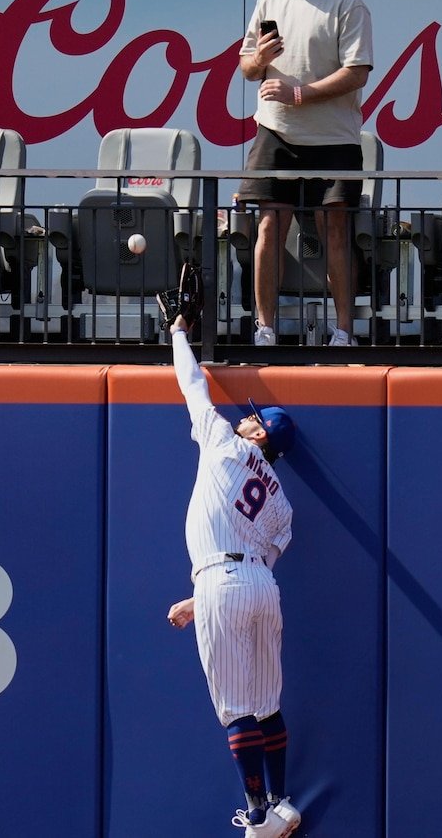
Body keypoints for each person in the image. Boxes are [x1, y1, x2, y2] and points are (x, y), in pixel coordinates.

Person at [164, 316, 301, 838]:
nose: (242, 419)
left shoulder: (223, 443)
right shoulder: (283, 503)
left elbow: (192, 383)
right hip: (263, 588)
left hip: (222, 580)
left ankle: (259, 814)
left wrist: (178, 333)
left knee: (236, 709)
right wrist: (198, 601)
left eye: (252, 418)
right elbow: (256, 564)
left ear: (261, 433)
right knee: (267, 704)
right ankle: (282, 802)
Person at [238, 0, 373, 347]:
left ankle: (344, 331)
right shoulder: (269, 0)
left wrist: (299, 94)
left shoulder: (348, 4)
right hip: (275, 132)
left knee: (334, 229)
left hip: (334, 139)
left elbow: (357, 72)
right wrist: (259, 60)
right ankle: (264, 329)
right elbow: (246, 67)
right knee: (268, 224)